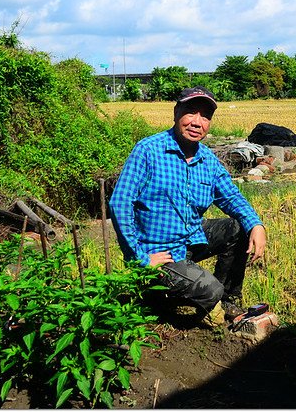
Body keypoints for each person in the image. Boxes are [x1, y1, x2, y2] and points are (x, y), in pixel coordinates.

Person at [109, 86, 267, 324]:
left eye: (205, 116)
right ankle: (154, 297)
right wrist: (140, 259)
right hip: (160, 252)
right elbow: (120, 203)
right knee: (209, 289)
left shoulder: (207, 160)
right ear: (176, 112)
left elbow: (231, 197)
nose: (197, 122)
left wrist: (256, 225)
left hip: (190, 240)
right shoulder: (149, 150)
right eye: (191, 112)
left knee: (237, 228)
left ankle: (228, 301)